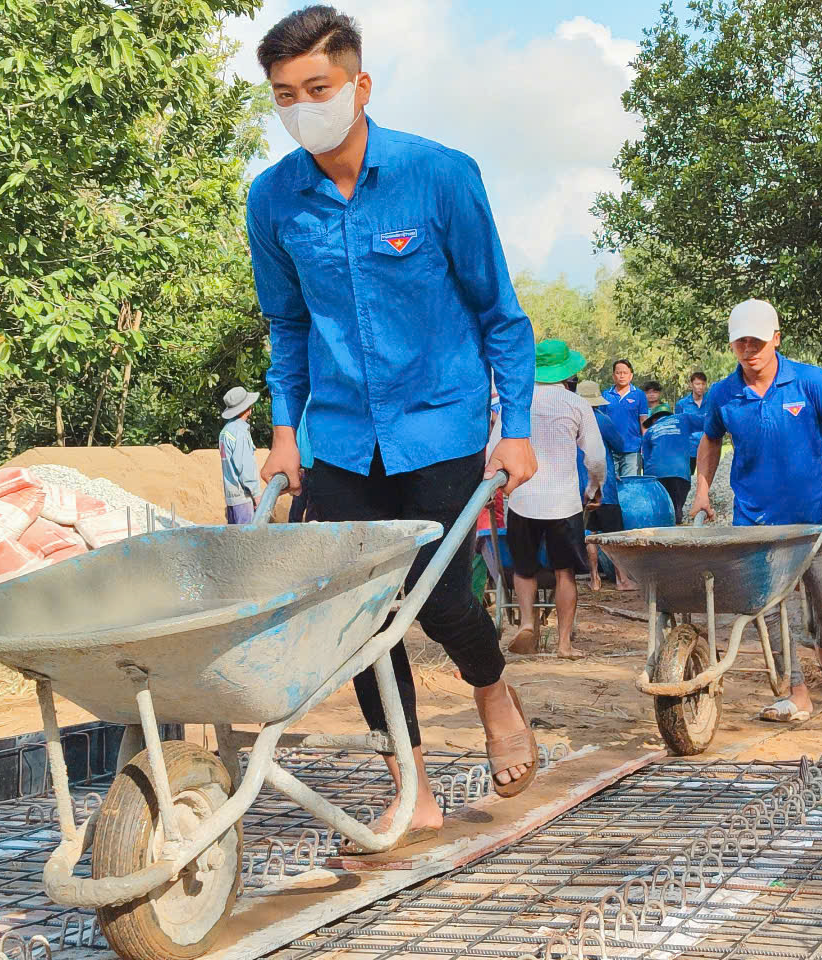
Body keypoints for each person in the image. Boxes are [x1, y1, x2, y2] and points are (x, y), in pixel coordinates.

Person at [248, 6, 541, 844]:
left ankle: (493, 691)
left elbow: (501, 316)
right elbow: (288, 327)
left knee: (438, 592)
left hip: (440, 423)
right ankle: (409, 781)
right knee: (357, 616)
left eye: (318, 88)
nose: (303, 107)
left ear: (359, 85)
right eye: (284, 95)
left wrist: (512, 425)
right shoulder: (272, 201)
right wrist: (284, 430)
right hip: (339, 434)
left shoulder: (439, 175)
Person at [690, 299, 822, 722]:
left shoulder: (810, 381)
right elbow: (711, 440)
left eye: (757, 341)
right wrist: (702, 492)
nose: (749, 349)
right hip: (756, 522)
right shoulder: (723, 393)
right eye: (740, 341)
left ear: (776, 339)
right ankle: (795, 690)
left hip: (812, 519)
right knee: (771, 609)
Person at [497, 341, 604, 660]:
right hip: (563, 502)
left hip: (522, 499)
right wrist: (594, 488)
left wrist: (499, 488)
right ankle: (563, 644)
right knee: (564, 573)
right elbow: (596, 458)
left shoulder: (516, 403)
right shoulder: (576, 404)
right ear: (566, 371)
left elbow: (495, 450)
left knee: (523, 569)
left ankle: (528, 623)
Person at [577, 380, 636, 591]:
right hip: (605, 487)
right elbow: (620, 446)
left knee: (590, 533)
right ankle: (622, 579)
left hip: (580, 488)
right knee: (613, 535)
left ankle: (594, 579)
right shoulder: (602, 420)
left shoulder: (571, 419)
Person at [641, 403, 692, 523]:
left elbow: (646, 459)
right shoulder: (682, 419)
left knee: (660, 509)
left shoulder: (649, 432)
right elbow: (708, 423)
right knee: (676, 508)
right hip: (680, 473)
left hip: (656, 474)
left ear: (653, 419)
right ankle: (676, 526)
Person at [219, 386, 262, 524]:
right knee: (246, 542)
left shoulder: (226, 431)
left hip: (232, 498)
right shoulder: (240, 433)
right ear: (247, 408)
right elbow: (245, 467)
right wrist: (256, 495)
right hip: (243, 498)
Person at [602, 360, 649, 477]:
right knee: (612, 486)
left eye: (625, 372)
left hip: (632, 450)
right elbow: (601, 422)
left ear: (631, 375)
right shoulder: (606, 395)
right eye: (618, 373)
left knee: (631, 485)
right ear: (613, 375)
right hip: (610, 450)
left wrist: (646, 445)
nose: (621, 376)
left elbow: (643, 421)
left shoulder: (639, 395)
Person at [676, 371, 708, 473]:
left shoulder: (711, 402)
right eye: (697, 384)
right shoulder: (682, 404)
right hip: (689, 449)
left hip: (707, 446)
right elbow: (678, 428)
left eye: (703, 384)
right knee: (687, 479)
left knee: (706, 478)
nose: (700, 387)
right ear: (691, 385)